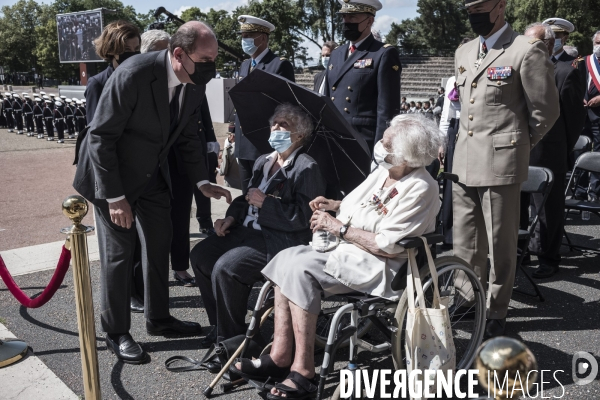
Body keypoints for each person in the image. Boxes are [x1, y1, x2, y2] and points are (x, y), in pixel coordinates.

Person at [231, 113, 444, 398]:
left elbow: (387, 244)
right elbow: (368, 207)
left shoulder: (421, 187)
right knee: (286, 258)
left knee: (298, 268)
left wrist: (338, 227)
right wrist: (335, 204)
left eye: (387, 142)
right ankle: (280, 355)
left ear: (405, 156)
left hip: (380, 263)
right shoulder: (384, 172)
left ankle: (303, 370)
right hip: (348, 250)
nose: (379, 144)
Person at [72, 21, 231, 365]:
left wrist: (201, 182)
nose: (211, 66)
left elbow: (188, 135)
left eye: (214, 58)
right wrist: (114, 197)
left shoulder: (193, 81)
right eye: (205, 58)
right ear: (178, 54)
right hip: (110, 176)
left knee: (161, 240)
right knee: (119, 253)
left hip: (150, 175)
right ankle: (116, 331)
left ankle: (159, 318)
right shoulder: (134, 74)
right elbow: (101, 137)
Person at [453, 0, 558, 339]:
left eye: (479, 9)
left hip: (502, 161)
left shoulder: (525, 49)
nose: (474, 16)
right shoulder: (465, 51)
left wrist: (518, 143)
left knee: (499, 242)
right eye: (469, 11)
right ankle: (467, 300)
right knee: (465, 241)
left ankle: (497, 308)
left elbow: (545, 110)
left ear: (499, 6)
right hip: (464, 159)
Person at [190, 104, 326, 351]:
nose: (276, 128)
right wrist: (230, 218)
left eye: (284, 124)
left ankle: (236, 343)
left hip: (278, 239)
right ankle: (221, 327)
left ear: (300, 135)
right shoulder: (263, 160)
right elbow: (245, 199)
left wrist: (266, 205)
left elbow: (304, 217)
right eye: (274, 123)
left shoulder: (306, 167)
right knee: (200, 255)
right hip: (246, 230)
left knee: (227, 268)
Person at [521, 23, 585, 278]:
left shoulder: (566, 71)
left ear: (549, 44)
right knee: (518, 206)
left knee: (548, 209)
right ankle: (520, 251)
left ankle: (548, 257)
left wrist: (563, 150)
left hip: (550, 150)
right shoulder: (519, 67)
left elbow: (573, 119)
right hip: (521, 148)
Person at [325, 0, 401, 152]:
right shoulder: (337, 53)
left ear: (369, 21)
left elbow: (387, 109)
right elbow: (327, 98)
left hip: (362, 140)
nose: (346, 22)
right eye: (344, 17)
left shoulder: (382, 53)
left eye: (352, 17)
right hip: (333, 137)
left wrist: (380, 148)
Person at [235, 15, 296, 194]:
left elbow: (286, 106)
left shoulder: (279, 65)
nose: (244, 40)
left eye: (249, 36)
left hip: (262, 142)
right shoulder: (245, 65)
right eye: (243, 36)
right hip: (242, 141)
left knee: (262, 193)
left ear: (262, 38)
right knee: (245, 192)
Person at [85, 20, 141, 125]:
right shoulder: (98, 83)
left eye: (136, 49)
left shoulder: (141, 79)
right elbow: (93, 129)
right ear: (111, 50)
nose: (133, 54)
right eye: (127, 49)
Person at [575, 31, 600, 203]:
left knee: (598, 153)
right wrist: (580, 96)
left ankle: (595, 190)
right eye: (597, 42)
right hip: (582, 112)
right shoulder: (583, 61)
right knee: (579, 150)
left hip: (599, 113)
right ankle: (580, 189)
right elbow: (573, 83)